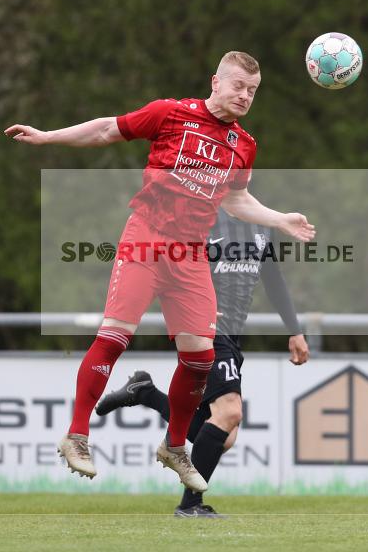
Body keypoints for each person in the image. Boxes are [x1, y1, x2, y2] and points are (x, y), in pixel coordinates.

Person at [4, 52, 315, 493]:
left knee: (201, 358)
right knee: (114, 336)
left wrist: (279, 218)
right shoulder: (171, 113)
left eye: (253, 90)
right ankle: (76, 435)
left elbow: (236, 200)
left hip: (190, 253)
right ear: (216, 82)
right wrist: (48, 137)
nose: (245, 96)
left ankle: (174, 447)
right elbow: (107, 129)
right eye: (239, 87)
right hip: (147, 239)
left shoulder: (244, 144)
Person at [96, 207, 310, 517]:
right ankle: (190, 505)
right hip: (204, 329)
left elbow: (273, 279)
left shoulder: (264, 224)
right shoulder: (199, 217)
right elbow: (166, 268)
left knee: (224, 435)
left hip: (231, 335)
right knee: (230, 412)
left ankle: (146, 393)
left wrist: (294, 330)